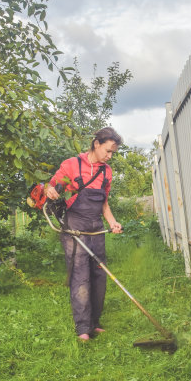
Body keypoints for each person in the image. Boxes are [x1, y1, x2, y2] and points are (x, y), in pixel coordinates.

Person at [45, 127, 123, 341]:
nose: (109, 156)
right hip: (75, 226)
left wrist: (113, 223)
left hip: (96, 226)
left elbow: (104, 204)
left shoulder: (106, 172)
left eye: (112, 154)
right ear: (96, 143)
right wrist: (50, 190)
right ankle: (82, 329)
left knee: (99, 274)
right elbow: (53, 187)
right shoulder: (71, 165)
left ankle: (94, 323)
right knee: (80, 275)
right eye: (107, 151)